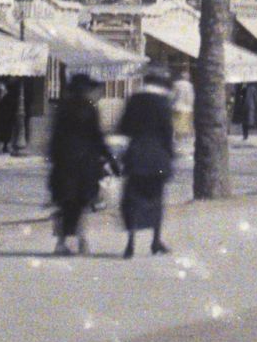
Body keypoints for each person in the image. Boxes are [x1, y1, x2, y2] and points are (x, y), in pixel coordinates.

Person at [47, 73, 114, 256]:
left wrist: (53, 160)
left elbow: (54, 138)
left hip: (64, 164)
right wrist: (110, 159)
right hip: (85, 165)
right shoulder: (89, 108)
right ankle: (76, 241)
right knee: (80, 205)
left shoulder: (62, 108)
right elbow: (97, 137)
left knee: (66, 205)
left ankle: (65, 242)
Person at [117, 69, 176, 259]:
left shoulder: (134, 100)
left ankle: (130, 243)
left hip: (136, 155)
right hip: (157, 157)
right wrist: (170, 155)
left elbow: (123, 128)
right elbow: (168, 133)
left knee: (133, 199)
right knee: (156, 199)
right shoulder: (163, 103)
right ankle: (155, 241)